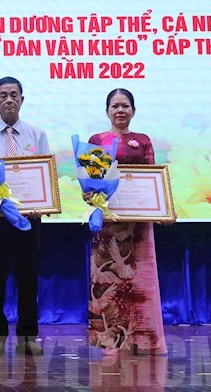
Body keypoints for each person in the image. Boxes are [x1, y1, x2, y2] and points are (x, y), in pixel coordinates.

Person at [0, 76, 49, 356]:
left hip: (28, 218)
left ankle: (28, 336)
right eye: (3, 96)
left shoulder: (37, 135)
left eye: (14, 95)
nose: (9, 100)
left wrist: (44, 200)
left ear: (22, 100)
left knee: (28, 278)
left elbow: (45, 174)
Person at [86, 88, 167, 355]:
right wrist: (90, 194)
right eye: (115, 106)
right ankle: (110, 341)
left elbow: (152, 177)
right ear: (107, 111)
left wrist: (160, 206)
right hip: (108, 222)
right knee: (108, 282)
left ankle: (143, 340)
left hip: (139, 223)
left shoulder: (143, 140)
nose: (120, 110)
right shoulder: (97, 140)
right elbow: (92, 178)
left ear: (133, 110)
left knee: (139, 283)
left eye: (125, 106)